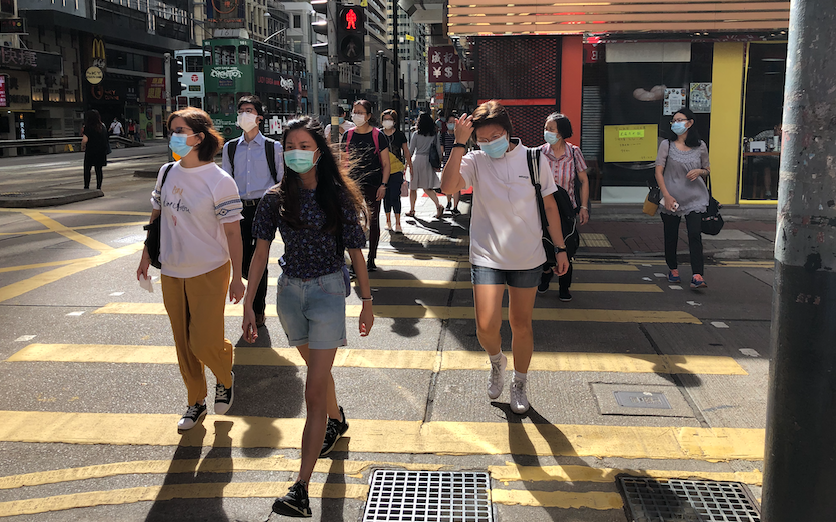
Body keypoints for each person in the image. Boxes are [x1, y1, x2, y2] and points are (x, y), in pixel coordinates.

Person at [241, 116, 374, 518]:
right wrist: (249, 303)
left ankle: (301, 488)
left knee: (312, 392)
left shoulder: (338, 195)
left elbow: (355, 254)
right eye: (290, 145)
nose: (296, 151)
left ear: (318, 151)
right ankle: (337, 419)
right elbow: (261, 253)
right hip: (288, 295)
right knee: (318, 372)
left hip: (328, 292)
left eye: (304, 145)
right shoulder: (274, 197)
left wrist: (367, 300)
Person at [440, 101, 570, 415]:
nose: (489, 144)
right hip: (486, 255)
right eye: (481, 140)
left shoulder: (534, 159)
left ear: (508, 131)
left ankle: (520, 381)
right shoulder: (474, 160)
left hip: (527, 256)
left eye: (494, 136)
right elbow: (447, 186)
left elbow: (550, 207)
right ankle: (497, 361)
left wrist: (560, 247)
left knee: (521, 325)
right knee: (486, 327)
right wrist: (459, 143)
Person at [136, 107, 244, 431]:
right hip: (171, 269)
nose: (174, 136)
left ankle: (224, 373)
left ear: (200, 136)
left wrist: (237, 276)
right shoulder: (167, 172)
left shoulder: (219, 180)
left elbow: (233, 232)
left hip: (209, 269)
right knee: (183, 344)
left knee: (203, 341)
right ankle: (195, 402)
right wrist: (145, 255)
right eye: (172, 130)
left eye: (180, 130)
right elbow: (155, 218)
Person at [221, 95, 284, 328]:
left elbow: (281, 180)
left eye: (249, 110)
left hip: (263, 208)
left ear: (259, 117)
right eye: (241, 111)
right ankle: (251, 292)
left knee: (260, 259)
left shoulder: (272, 147)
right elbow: (225, 181)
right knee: (241, 259)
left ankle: (258, 309)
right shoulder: (230, 148)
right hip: (237, 209)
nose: (244, 115)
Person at [655, 107, 711, 289]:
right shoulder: (666, 145)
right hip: (671, 197)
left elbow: (707, 169)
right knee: (671, 235)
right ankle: (673, 269)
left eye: (679, 120)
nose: (676, 123)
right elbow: (658, 171)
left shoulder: (700, 146)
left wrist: (700, 171)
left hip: (695, 198)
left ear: (690, 123)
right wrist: (666, 195)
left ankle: (697, 274)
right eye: (674, 121)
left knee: (694, 234)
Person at [537, 112, 591, 302]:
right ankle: (545, 273)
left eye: (551, 129)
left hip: (567, 210)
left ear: (561, 132)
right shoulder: (538, 154)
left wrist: (584, 207)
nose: (547, 132)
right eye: (546, 128)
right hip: (542, 209)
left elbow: (584, 180)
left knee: (566, 246)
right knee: (543, 245)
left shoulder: (574, 152)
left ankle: (564, 285)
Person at [342, 100, 390, 272]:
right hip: (352, 185)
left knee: (373, 220)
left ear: (369, 116)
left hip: (373, 185)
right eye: (355, 111)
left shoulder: (378, 136)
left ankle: (371, 258)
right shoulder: (347, 135)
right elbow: (343, 161)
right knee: (351, 222)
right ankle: (355, 260)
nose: (356, 115)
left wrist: (383, 185)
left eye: (361, 112)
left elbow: (386, 163)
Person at [406, 112, 444, 219]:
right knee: (427, 188)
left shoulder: (416, 134)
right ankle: (438, 205)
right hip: (428, 162)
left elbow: (411, 150)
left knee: (413, 188)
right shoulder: (434, 135)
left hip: (417, 161)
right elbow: (438, 150)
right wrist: (439, 162)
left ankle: (412, 210)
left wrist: (407, 164)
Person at [380, 109, 412, 234]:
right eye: (385, 119)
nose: (387, 121)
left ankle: (398, 223)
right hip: (382, 170)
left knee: (395, 196)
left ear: (394, 121)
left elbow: (406, 152)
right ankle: (388, 221)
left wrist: (410, 167)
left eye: (390, 119)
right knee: (386, 196)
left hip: (397, 169)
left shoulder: (400, 135)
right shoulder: (379, 134)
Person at [80, 109, 108, 190]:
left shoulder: (88, 127)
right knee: (98, 170)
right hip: (101, 151)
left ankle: (86, 186)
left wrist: (82, 146)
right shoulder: (103, 126)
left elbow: (84, 140)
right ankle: (98, 187)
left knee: (87, 169)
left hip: (91, 151)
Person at [440, 114, 462, 215]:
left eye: (454, 122)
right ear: (447, 123)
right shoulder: (443, 135)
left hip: (457, 162)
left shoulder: (459, 135)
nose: (452, 124)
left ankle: (455, 206)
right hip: (446, 162)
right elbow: (441, 150)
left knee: (457, 185)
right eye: (450, 122)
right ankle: (449, 202)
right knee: (448, 183)